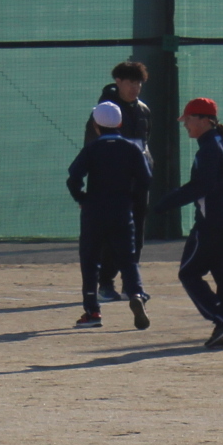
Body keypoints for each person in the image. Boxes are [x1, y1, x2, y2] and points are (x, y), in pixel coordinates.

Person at [151, 96, 223, 349]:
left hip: (211, 224)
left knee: (189, 273)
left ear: (205, 120)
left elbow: (199, 187)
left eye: (189, 119)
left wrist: (163, 204)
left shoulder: (210, 149)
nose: (185, 125)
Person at [66, 100, 153, 328]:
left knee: (90, 260)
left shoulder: (92, 149)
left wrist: (82, 199)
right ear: (120, 123)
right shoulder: (131, 149)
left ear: (96, 125)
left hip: (94, 211)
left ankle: (92, 311)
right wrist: (131, 199)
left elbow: (73, 177)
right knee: (127, 258)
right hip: (122, 210)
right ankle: (136, 293)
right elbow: (145, 180)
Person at [85, 61, 155, 304]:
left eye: (139, 83)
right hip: (112, 187)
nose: (135, 87)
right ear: (118, 82)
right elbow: (93, 149)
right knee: (110, 236)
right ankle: (105, 284)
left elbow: (145, 144)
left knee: (137, 234)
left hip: (138, 184)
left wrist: (146, 170)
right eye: (130, 82)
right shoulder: (104, 113)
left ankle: (131, 286)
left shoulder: (143, 110)